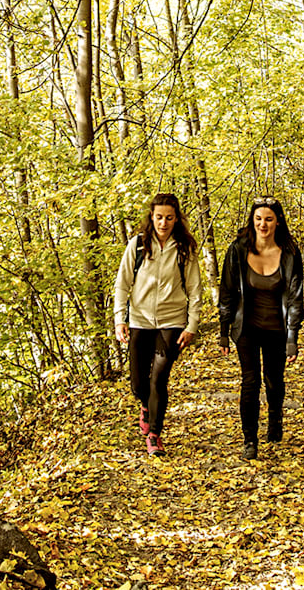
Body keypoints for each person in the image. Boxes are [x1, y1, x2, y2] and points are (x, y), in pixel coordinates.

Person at [113, 192, 203, 456]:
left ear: (177, 219)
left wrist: (192, 325)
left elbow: (195, 289)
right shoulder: (138, 246)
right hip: (140, 320)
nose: (164, 223)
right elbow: (122, 284)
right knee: (139, 384)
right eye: (159, 217)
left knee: (159, 380)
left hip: (172, 321)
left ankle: (154, 434)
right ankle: (145, 405)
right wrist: (120, 319)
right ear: (151, 218)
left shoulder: (184, 248)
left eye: (169, 218)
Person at [218, 196, 304, 460]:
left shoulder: (289, 253)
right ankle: (249, 439)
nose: (263, 224)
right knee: (250, 381)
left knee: (274, 381)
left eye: (268, 219)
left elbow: (295, 297)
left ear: (277, 221)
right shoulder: (238, 250)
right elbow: (227, 290)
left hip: (277, 328)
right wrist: (223, 329)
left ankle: (275, 419)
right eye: (258, 219)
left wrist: (292, 337)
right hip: (247, 328)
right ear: (252, 221)